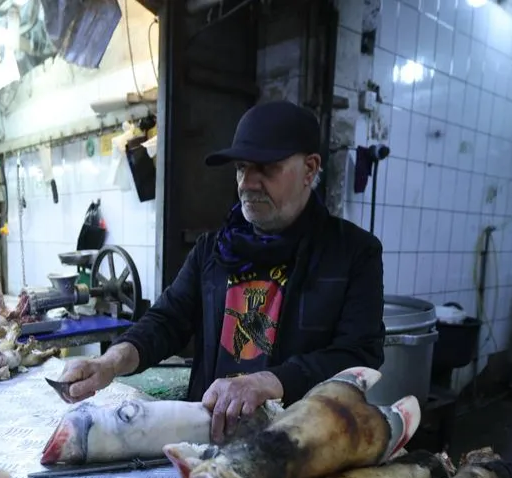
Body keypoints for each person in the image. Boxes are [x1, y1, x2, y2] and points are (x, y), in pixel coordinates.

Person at [56, 100, 385, 441]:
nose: (248, 183)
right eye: (242, 168)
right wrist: (109, 363)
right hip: (208, 438)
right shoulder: (214, 250)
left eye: (266, 168)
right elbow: (166, 321)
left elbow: (359, 355)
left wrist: (270, 381)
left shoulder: (353, 253)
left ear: (309, 169)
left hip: (299, 445)